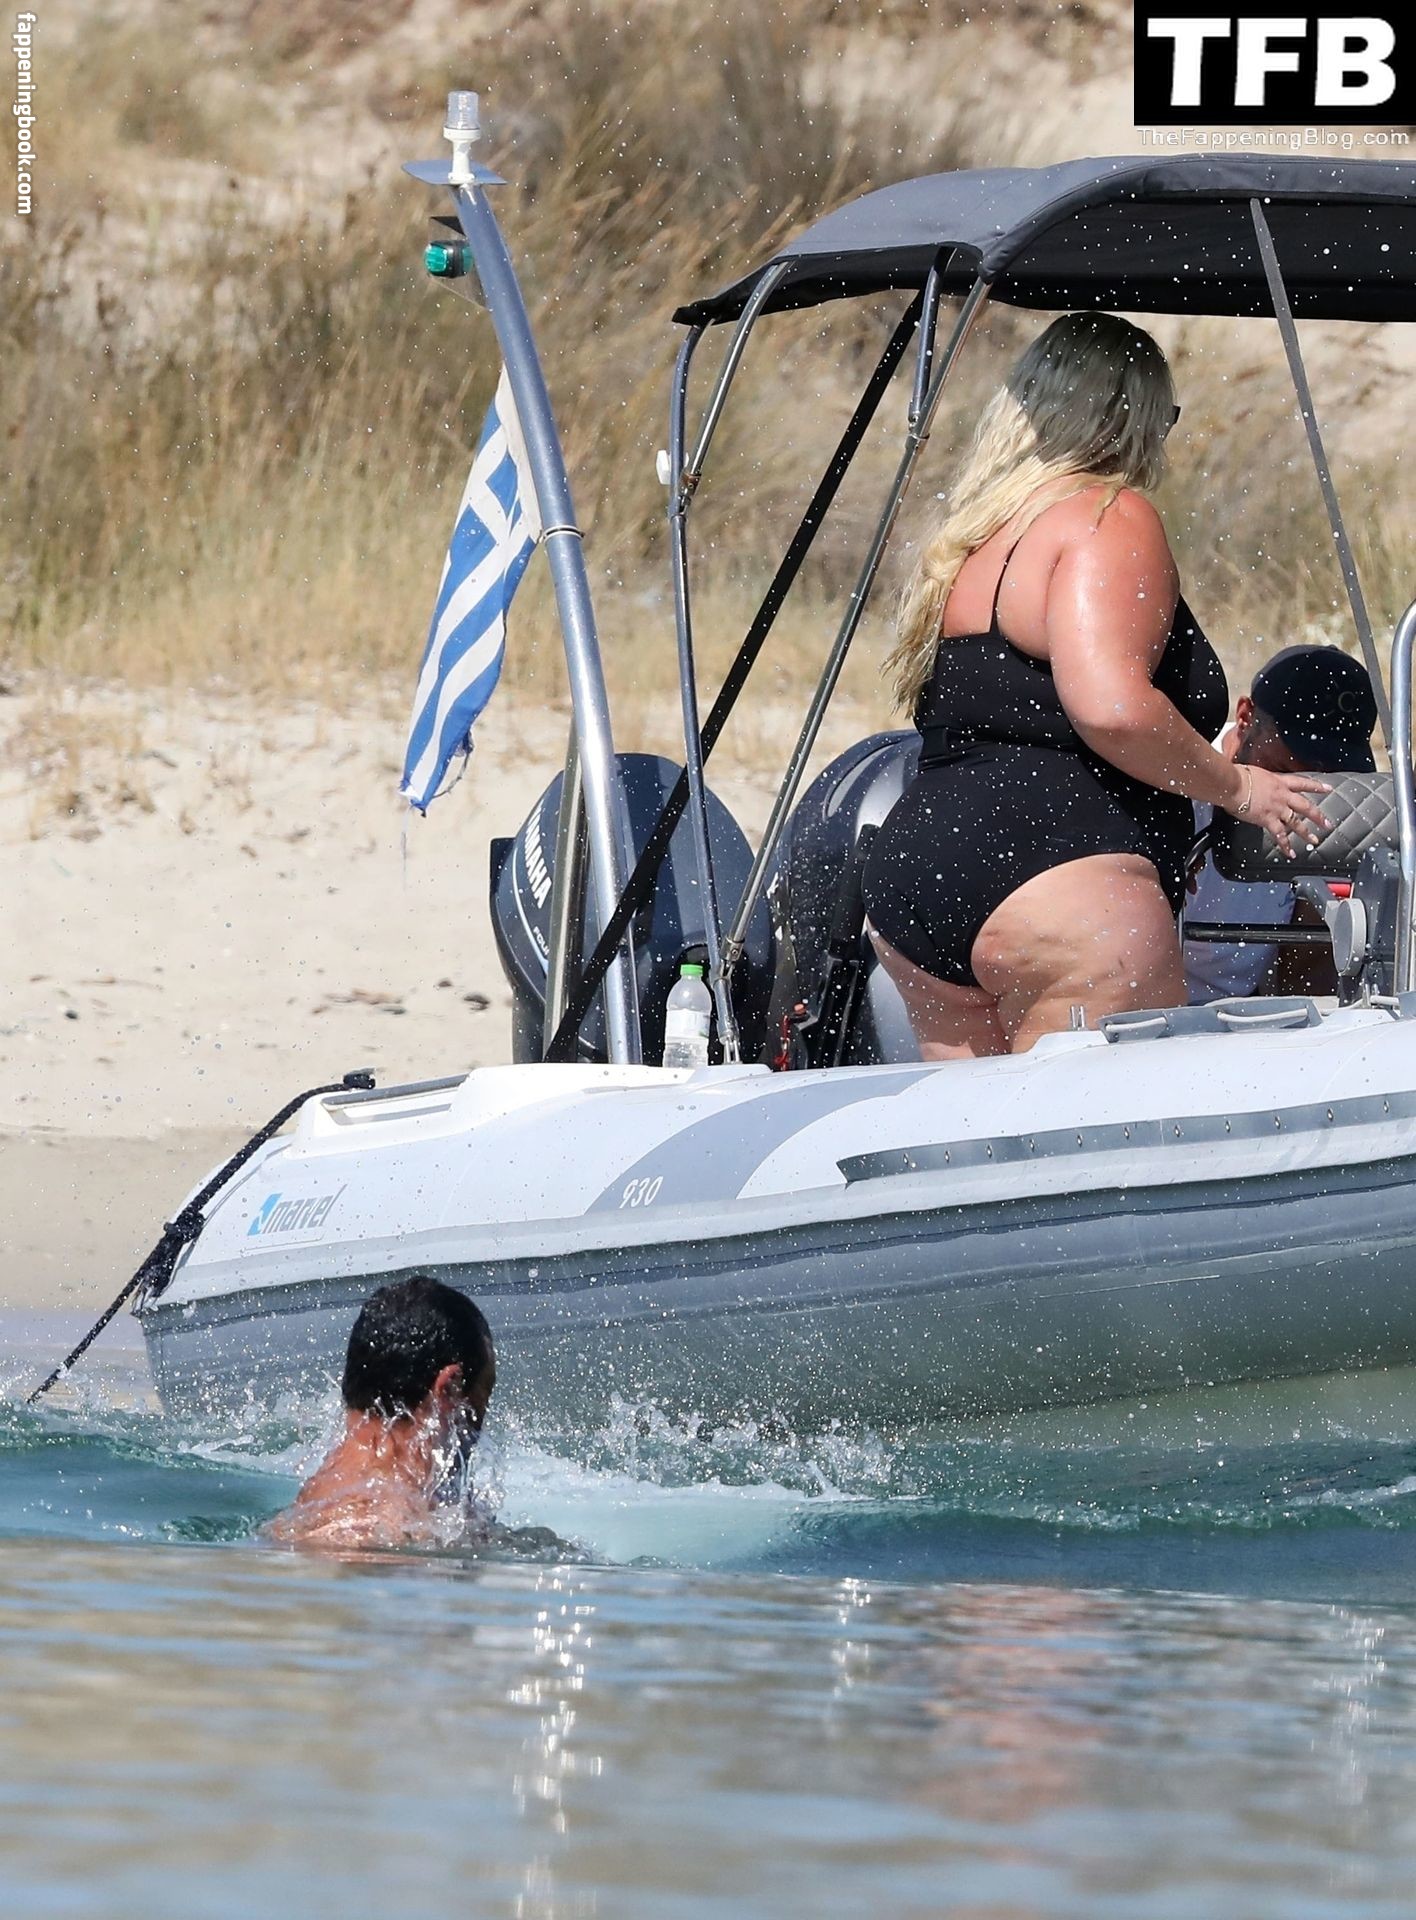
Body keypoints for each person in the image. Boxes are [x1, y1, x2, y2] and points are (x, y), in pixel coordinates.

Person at [861, 310, 1332, 1060]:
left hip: (921, 873)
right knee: (1109, 1131)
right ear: (1132, 417)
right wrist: (1240, 788)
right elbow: (1112, 710)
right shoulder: (1108, 516)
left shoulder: (980, 537)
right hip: (1063, 878)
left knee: (973, 1129)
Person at [1184, 645, 1379, 1003]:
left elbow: (1316, 962)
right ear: (1245, 717)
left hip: (1254, 1008)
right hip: (1152, 1006)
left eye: (1330, 768)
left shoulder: (1331, 792)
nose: (1309, 779)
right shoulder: (1178, 777)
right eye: (1292, 763)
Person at [266, 1274, 497, 1550]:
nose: (483, 1417)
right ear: (449, 1388)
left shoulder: (325, 1497)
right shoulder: (372, 1531)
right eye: (486, 1391)